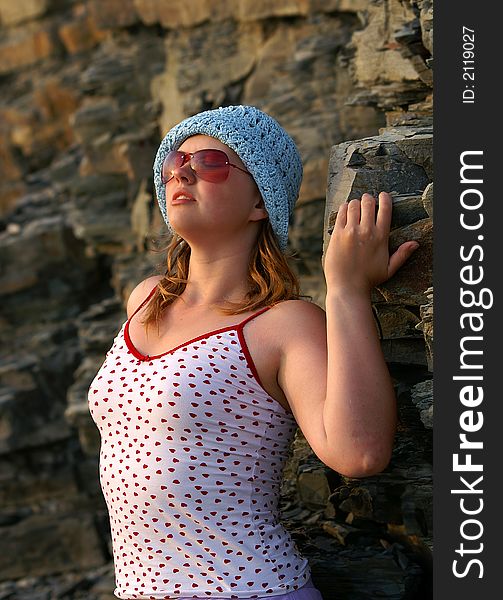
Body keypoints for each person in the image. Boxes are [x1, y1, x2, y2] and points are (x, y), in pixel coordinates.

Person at [88, 105, 419, 600]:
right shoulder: (146, 300)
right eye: (174, 161)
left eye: (211, 163)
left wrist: (346, 290)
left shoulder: (282, 324)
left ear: (259, 203)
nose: (181, 170)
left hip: (245, 588)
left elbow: (360, 453)